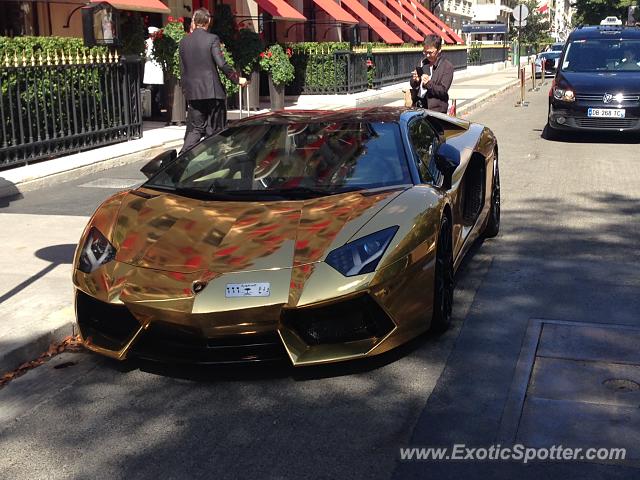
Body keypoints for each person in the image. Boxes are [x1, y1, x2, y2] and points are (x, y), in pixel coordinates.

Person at [178, 7, 247, 153]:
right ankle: (213, 161)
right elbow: (222, 64)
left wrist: (187, 91)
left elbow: (183, 71)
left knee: (196, 129)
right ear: (208, 21)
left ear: (194, 22)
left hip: (193, 93)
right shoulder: (212, 39)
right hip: (212, 92)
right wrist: (237, 79)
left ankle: (182, 159)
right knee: (215, 130)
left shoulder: (183, 42)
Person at [409, 35, 454, 114]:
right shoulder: (422, 62)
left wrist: (428, 84)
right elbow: (413, 84)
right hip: (418, 106)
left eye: (430, 52)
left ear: (439, 49)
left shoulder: (447, 66)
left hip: (436, 111)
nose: (427, 55)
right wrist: (416, 80)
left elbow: (443, 91)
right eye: (425, 52)